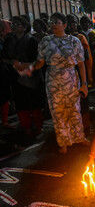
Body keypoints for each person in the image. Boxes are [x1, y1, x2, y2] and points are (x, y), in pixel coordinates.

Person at [24, 12, 89, 153]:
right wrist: (29, 68)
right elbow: (40, 62)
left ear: (64, 25)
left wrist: (84, 84)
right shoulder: (46, 41)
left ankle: (79, 137)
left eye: (57, 22)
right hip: (53, 80)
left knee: (74, 109)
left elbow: (81, 64)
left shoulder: (74, 41)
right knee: (58, 111)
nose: (53, 24)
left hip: (71, 78)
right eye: (51, 21)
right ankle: (63, 141)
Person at [1, 16, 45, 136]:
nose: (14, 27)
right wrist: (14, 63)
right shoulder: (9, 41)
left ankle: (38, 126)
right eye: (13, 25)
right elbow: (4, 58)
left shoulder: (31, 41)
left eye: (17, 24)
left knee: (35, 103)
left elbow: (39, 59)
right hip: (16, 78)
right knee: (21, 104)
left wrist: (27, 66)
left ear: (24, 27)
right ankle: (26, 127)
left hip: (32, 77)